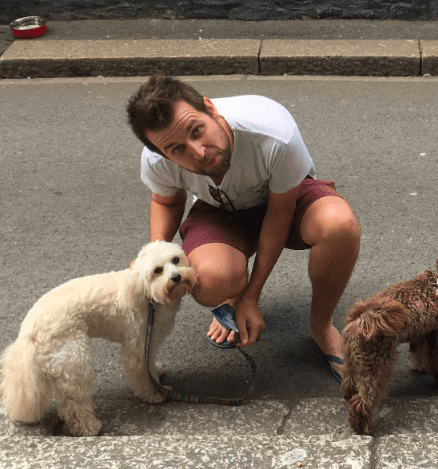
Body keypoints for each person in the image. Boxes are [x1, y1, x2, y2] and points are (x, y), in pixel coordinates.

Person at [126, 74, 360, 382]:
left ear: (210, 108)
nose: (198, 152)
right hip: (218, 207)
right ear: (161, 152)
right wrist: (151, 260)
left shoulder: (275, 134)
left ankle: (321, 326)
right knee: (209, 283)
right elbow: (167, 203)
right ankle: (232, 294)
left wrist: (253, 295)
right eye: (177, 149)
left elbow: (279, 215)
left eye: (197, 131)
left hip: (282, 200)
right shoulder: (156, 160)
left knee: (339, 226)